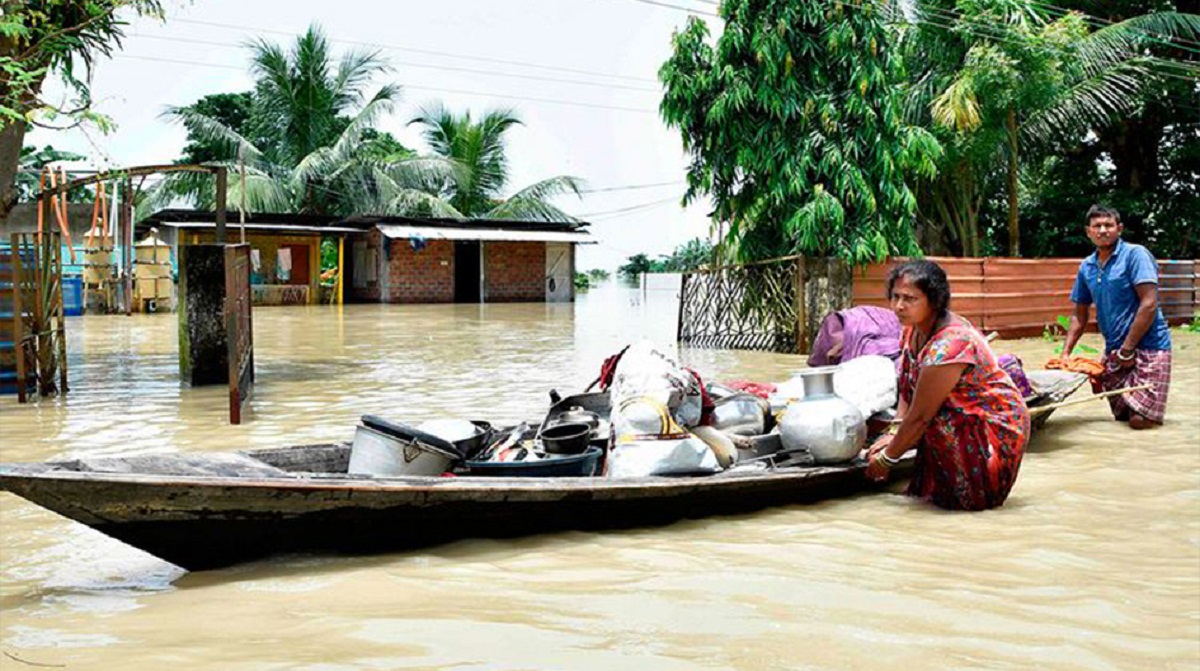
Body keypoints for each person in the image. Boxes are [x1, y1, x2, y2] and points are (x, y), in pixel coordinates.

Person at [865, 260, 1031, 511]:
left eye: (910, 299)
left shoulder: (950, 345)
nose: (899, 306)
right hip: (947, 414)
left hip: (989, 424)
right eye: (896, 296)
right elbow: (907, 385)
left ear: (934, 301)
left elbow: (920, 417)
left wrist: (887, 459)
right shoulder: (912, 330)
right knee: (927, 496)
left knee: (965, 506)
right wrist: (893, 431)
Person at [1061, 205, 1172, 429]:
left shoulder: (1136, 255)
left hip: (1150, 347)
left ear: (1119, 228)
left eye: (1108, 225)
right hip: (1115, 351)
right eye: (1097, 226)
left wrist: (1127, 349)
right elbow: (1079, 315)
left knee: (1140, 422)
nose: (1103, 230)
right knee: (1121, 418)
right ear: (1088, 232)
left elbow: (1149, 304)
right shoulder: (1087, 267)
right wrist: (1065, 354)